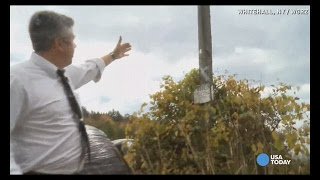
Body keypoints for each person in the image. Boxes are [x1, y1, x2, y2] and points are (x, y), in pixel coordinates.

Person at [10, 10, 131, 175]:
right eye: (72, 40)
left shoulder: (63, 75)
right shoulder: (17, 80)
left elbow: (90, 68)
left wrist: (113, 55)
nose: (75, 46)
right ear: (59, 43)